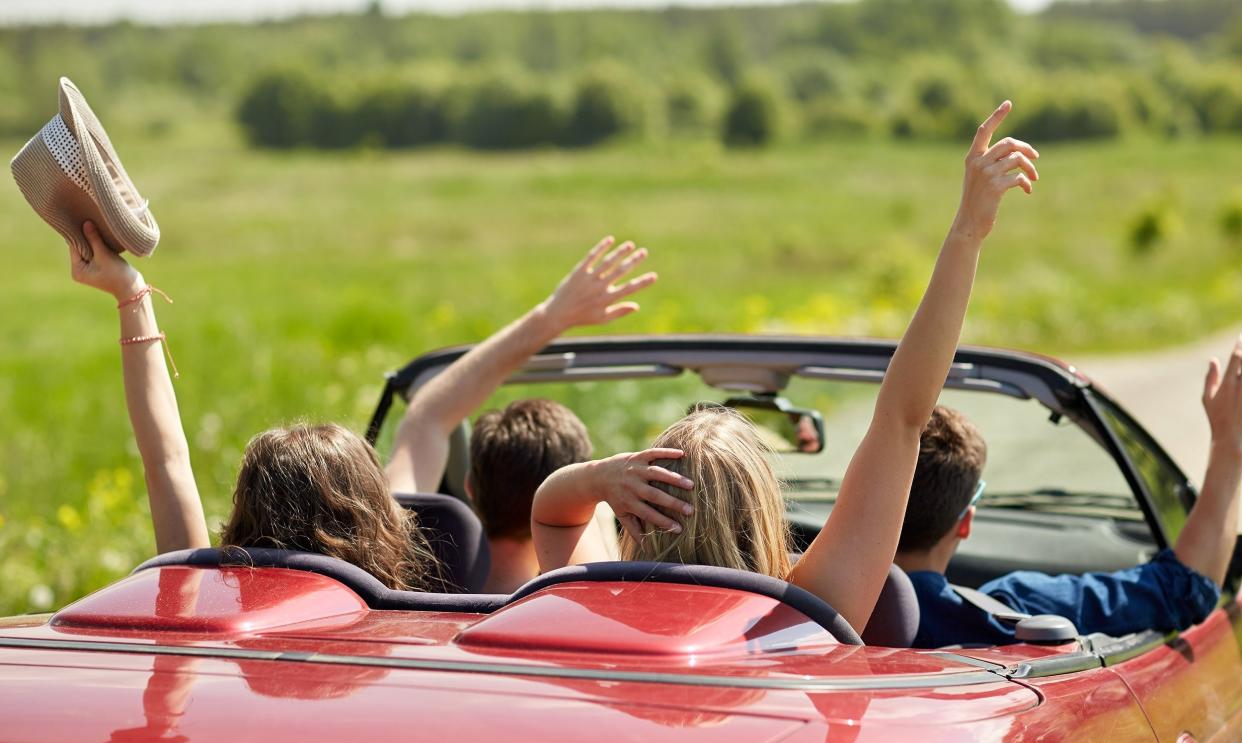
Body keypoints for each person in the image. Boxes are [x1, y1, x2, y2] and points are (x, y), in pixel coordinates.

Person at [531, 101, 1040, 635]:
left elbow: (551, 510)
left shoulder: (588, 603)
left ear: (636, 509)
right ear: (765, 516)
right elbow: (902, 416)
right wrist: (967, 231)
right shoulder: (801, 618)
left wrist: (600, 476)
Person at [70, 221, 441, 591]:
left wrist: (130, 291)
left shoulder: (195, 600)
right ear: (378, 526)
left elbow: (167, 461)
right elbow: (429, 421)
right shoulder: (398, 628)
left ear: (244, 518)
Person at [894, 365, 1241, 648]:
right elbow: (1182, 588)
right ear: (965, 522)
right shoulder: (1010, 613)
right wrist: (1229, 447)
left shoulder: (841, 615)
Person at [385, 236, 655, 593]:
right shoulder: (598, 606)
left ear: (471, 488)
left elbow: (428, 415)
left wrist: (551, 316)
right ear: (580, 506)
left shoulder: (399, 570)